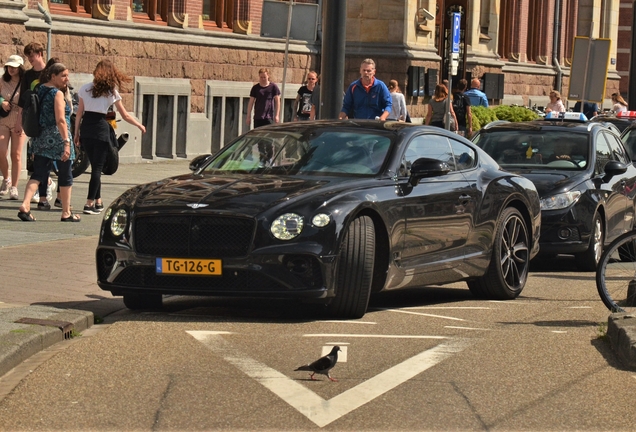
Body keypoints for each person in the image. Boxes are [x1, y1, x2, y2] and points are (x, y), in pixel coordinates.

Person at [74, 59, 146, 215]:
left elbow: (79, 113)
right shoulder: (111, 91)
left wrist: (76, 133)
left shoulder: (85, 89)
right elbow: (125, 115)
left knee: (94, 166)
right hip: (100, 130)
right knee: (97, 169)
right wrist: (139, 125)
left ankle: (98, 202)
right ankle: (89, 203)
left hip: (86, 129)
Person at [17, 63, 78, 222]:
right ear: (53, 76)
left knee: (38, 174)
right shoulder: (56, 93)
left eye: (67, 75)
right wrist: (66, 142)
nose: (67, 79)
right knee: (65, 175)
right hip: (57, 138)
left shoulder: (39, 88)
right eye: (63, 75)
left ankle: (25, 205)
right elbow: (60, 120)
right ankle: (66, 212)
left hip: (40, 138)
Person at [18, 43, 56, 207]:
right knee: (38, 155)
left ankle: (47, 186)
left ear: (40, 54)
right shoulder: (27, 75)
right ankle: (46, 185)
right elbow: (24, 100)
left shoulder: (50, 72)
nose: (30, 60)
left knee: (47, 156)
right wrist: (20, 121)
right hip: (34, 120)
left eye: (32, 56)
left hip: (49, 120)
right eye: (28, 57)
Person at [0, 55, 26, 200]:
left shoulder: (24, 82)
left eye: (14, 67)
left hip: (19, 118)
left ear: (20, 67)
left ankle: (14, 187)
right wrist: (2, 101)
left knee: (16, 154)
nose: (11, 69)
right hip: (4, 118)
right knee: (1, 150)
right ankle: (6, 179)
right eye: (9, 66)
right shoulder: (3, 81)